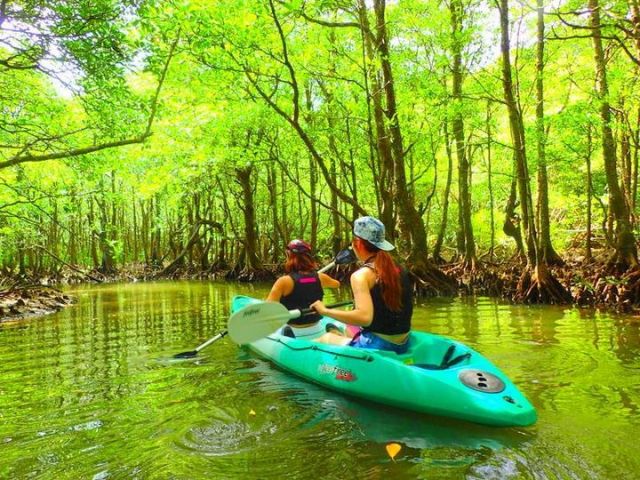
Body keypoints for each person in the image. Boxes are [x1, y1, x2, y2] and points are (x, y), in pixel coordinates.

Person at [311, 216, 412, 354]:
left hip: (378, 345)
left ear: (357, 243)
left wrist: (325, 311)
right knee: (349, 329)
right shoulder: (399, 269)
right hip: (403, 343)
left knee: (326, 338)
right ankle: (340, 335)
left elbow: (365, 318)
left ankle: (334, 336)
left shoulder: (361, 276)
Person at [267, 239, 340, 338]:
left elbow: (267, 309)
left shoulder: (283, 282)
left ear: (289, 256)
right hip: (317, 328)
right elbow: (337, 284)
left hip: (292, 331)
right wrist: (314, 279)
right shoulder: (320, 277)